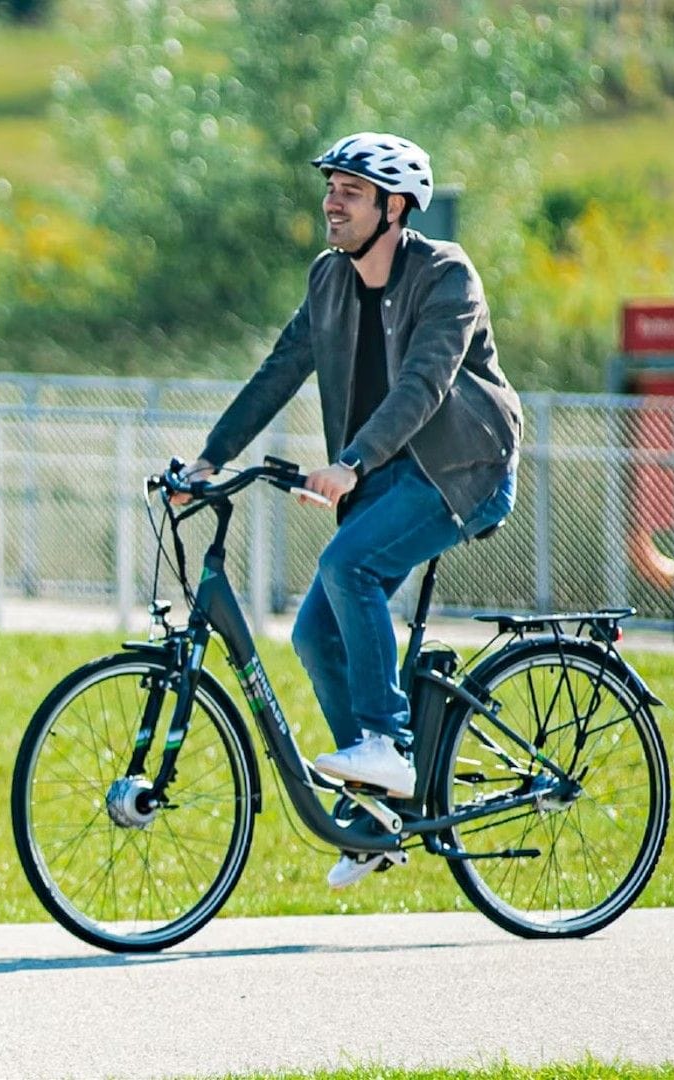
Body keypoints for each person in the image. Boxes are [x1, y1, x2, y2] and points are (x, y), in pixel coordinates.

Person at [179, 133, 523, 889]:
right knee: (312, 631)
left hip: (461, 470)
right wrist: (211, 457)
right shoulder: (328, 281)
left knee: (349, 565)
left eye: (351, 190)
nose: (332, 201)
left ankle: (387, 744)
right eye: (331, 186)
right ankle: (379, 811)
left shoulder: (446, 277)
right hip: (386, 477)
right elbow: (279, 371)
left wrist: (351, 463)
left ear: (394, 209)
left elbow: (424, 387)